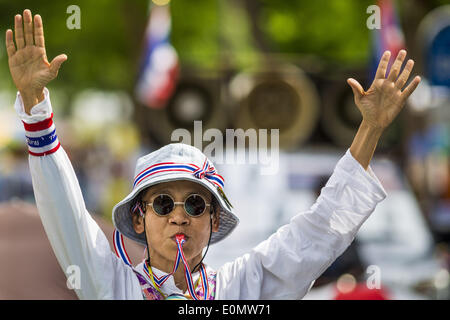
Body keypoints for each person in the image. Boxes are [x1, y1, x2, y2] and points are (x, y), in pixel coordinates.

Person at [5, 9, 421, 300]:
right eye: (164, 202)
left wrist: (371, 129)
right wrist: (34, 104)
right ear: (138, 216)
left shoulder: (243, 288)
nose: (180, 216)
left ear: (215, 219)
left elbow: (320, 231)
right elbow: (67, 213)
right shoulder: (110, 286)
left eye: (197, 203)